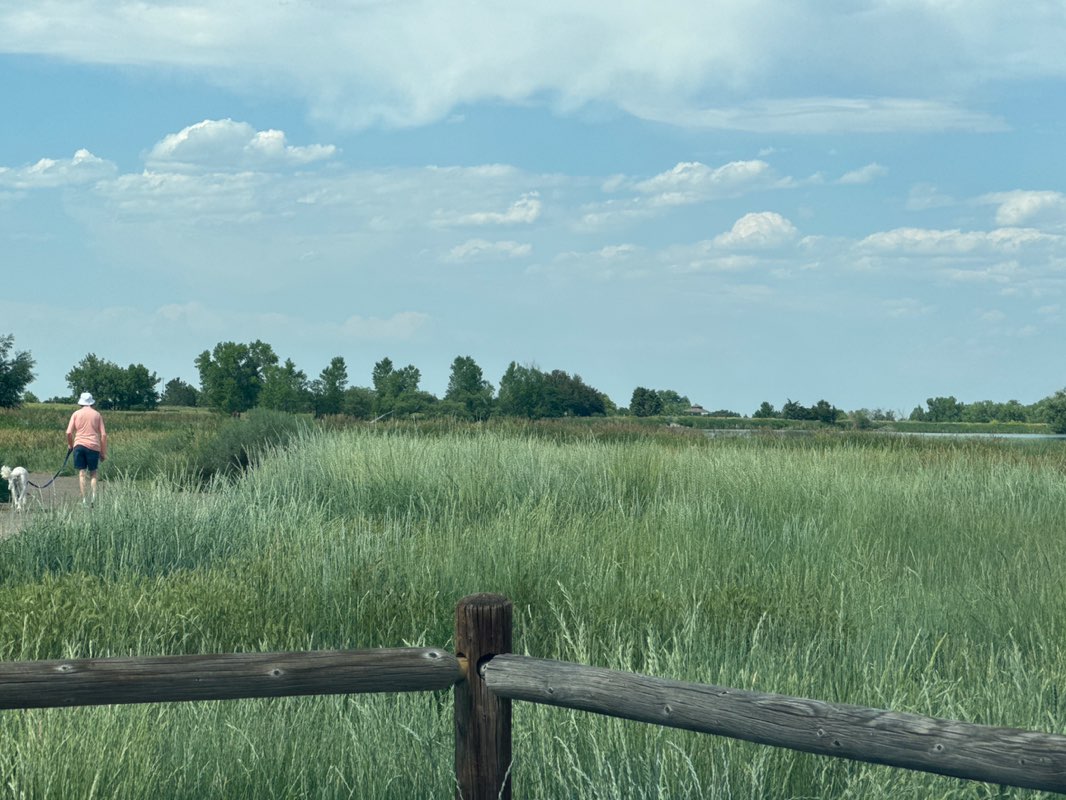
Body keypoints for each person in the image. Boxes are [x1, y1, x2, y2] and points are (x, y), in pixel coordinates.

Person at [66, 392, 107, 506]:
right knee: (93, 472)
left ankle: (84, 500)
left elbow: (69, 432)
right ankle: (93, 499)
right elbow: (103, 435)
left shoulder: (76, 414)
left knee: (82, 473)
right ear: (91, 402)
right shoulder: (97, 415)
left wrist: (70, 445)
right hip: (93, 446)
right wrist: (103, 452)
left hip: (79, 445)